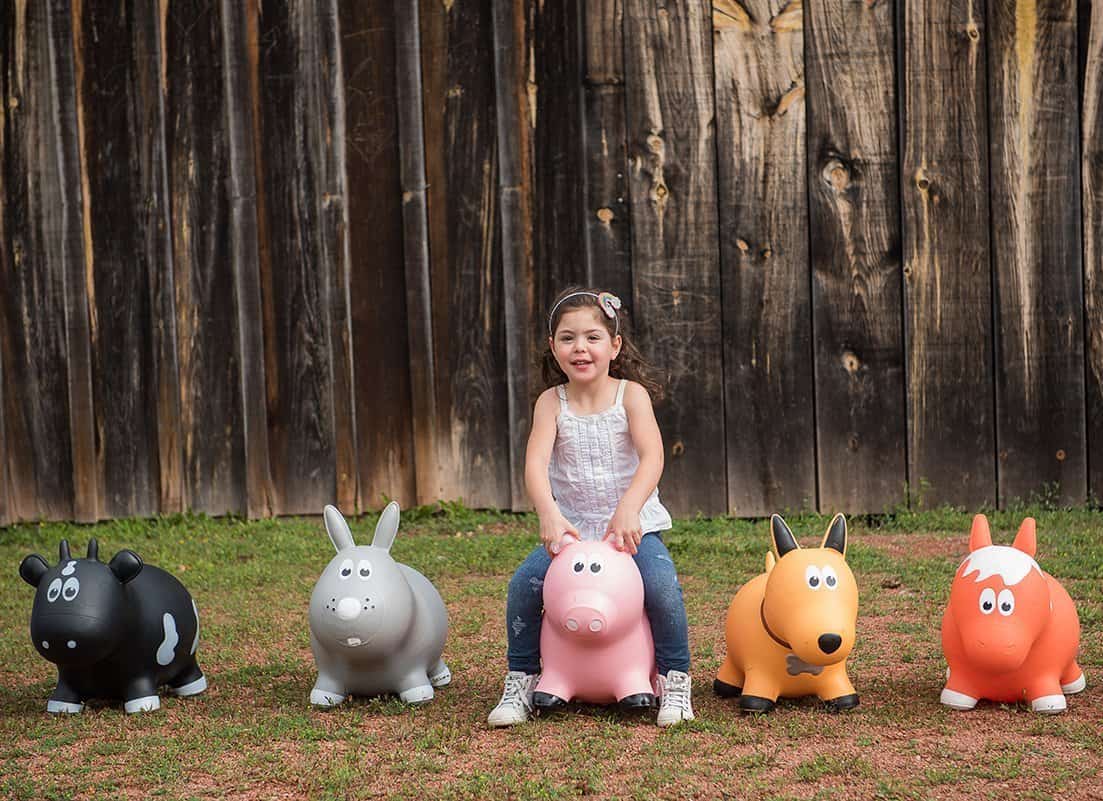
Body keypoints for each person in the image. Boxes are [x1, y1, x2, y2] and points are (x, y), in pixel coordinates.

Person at [487, 288, 694, 728]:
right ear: (553, 347)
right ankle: (521, 679)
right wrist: (548, 513)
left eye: (592, 337)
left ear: (614, 345)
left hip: (632, 527)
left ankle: (674, 681)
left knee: (661, 589)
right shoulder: (550, 403)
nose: (580, 348)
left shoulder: (631, 396)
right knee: (524, 586)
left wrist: (629, 508)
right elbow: (535, 464)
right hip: (574, 530)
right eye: (568, 338)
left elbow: (653, 457)